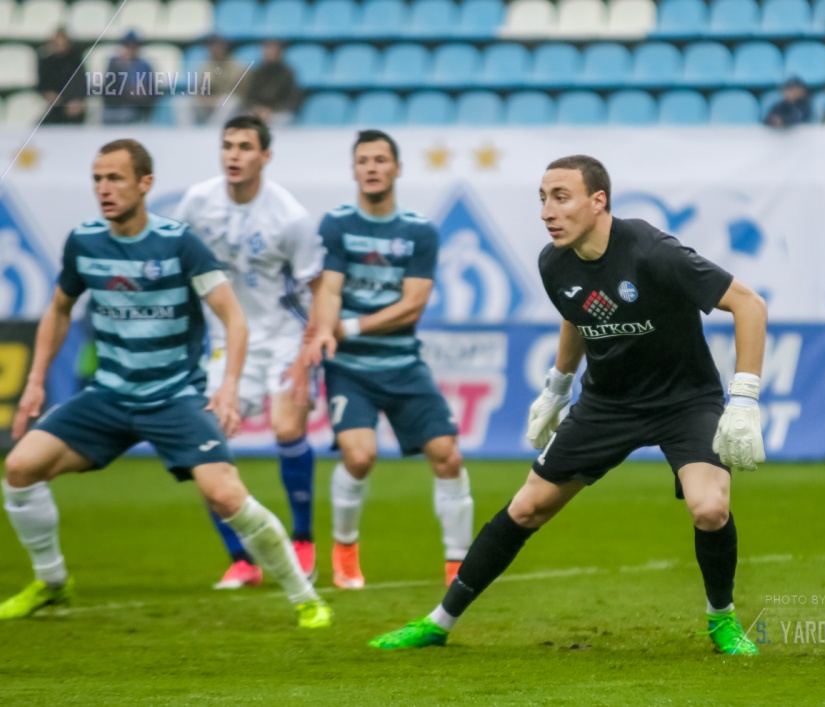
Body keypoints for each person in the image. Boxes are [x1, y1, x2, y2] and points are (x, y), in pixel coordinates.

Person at [369, 155, 767, 655]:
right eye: (542, 199)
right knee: (526, 508)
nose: (547, 212)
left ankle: (721, 618)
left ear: (598, 201)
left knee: (709, 509)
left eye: (561, 198)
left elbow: (749, 304)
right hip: (608, 404)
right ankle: (438, 623)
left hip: (684, 402)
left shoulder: (652, 252)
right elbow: (577, 314)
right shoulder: (553, 262)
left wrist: (744, 399)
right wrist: (557, 386)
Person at [0, 139, 331, 629]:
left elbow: (233, 317)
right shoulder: (84, 242)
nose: (104, 189)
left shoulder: (180, 244)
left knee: (227, 496)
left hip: (175, 397)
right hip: (109, 396)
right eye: (97, 179)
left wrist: (227, 388)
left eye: (115, 178)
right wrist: (34, 381)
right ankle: (51, 582)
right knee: (20, 468)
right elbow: (59, 309)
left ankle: (305, 598)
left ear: (145, 184)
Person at [294, 129, 474, 590]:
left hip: (403, 364)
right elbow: (329, 289)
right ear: (354, 170)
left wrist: (347, 327)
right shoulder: (337, 224)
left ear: (397, 168)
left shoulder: (418, 230)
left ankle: (458, 566)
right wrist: (324, 329)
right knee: (359, 456)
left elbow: (412, 306)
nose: (372, 168)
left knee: (448, 456)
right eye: (363, 161)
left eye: (380, 160)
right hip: (350, 368)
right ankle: (345, 550)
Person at [174, 115, 323, 590]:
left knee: (287, 427)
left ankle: (302, 539)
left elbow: (316, 288)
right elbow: (173, 263)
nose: (233, 155)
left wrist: (306, 354)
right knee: (204, 442)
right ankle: (241, 560)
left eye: (244, 147)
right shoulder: (197, 202)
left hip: (282, 338)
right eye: (228, 145)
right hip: (224, 341)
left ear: (265, 156)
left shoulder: (290, 216)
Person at [240, 40, 301, 126]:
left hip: (278, 112)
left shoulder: (288, 74)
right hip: (257, 111)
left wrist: (271, 111)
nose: (269, 54)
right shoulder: (257, 72)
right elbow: (249, 96)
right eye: (267, 51)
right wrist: (257, 109)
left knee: (283, 119)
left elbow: (291, 100)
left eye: (272, 51)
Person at [102, 31, 156, 125]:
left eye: (134, 46)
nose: (131, 49)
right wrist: (121, 69)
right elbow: (109, 90)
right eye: (127, 46)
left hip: (134, 108)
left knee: (128, 114)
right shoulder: (114, 64)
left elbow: (146, 92)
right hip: (115, 107)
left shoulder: (144, 66)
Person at [193, 35, 248, 125]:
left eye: (218, 45)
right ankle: (186, 131)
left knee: (230, 102)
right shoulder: (205, 66)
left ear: (225, 47)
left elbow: (239, 93)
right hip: (208, 105)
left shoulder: (237, 67)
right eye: (211, 45)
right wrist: (204, 99)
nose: (214, 49)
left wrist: (216, 99)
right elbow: (200, 90)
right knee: (181, 102)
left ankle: (212, 130)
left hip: (231, 107)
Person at [36, 28, 86, 125]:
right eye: (57, 44)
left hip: (72, 103)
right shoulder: (46, 61)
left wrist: (77, 100)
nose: (60, 47)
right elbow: (42, 85)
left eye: (63, 44)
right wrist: (48, 95)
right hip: (54, 104)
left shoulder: (76, 60)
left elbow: (81, 83)